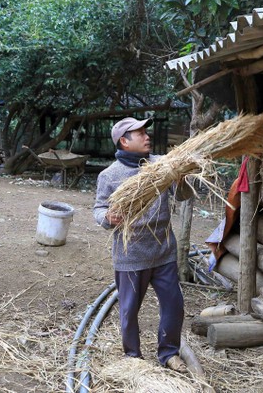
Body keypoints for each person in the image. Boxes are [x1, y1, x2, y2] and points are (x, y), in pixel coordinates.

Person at [93, 117, 191, 373]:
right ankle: (133, 358)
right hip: (131, 254)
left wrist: (182, 180)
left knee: (174, 305)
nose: (147, 137)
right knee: (129, 311)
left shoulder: (161, 165)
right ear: (124, 142)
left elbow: (183, 196)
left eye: (146, 132)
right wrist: (107, 217)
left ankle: (169, 353)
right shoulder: (110, 175)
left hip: (163, 250)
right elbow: (99, 208)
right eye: (140, 134)